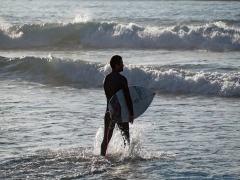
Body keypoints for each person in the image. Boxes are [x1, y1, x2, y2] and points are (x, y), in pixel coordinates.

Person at [101, 55, 134, 157]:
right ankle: (127, 158)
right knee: (126, 138)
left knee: (106, 139)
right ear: (116, 65)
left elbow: (109, 97)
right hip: (121, 113)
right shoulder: (122, 79)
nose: (123, 64)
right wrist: (131, 113)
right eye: (121, 62)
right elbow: (127, 97)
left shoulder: (106, 79)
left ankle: (102, 158)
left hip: (109, 112)